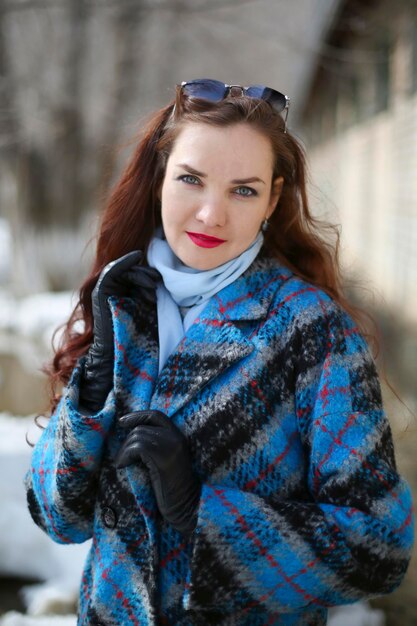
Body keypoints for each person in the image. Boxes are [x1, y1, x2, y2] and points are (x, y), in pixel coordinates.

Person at [25, 78, 414, 626]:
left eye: (243, 190)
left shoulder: (310, 332)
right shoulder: (126, 303)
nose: (211, 214)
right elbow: (56, 518)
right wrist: (91, 391)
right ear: (160, 178)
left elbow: (380, 550)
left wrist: (199, 513)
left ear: (273, 200)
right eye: (191, 180)